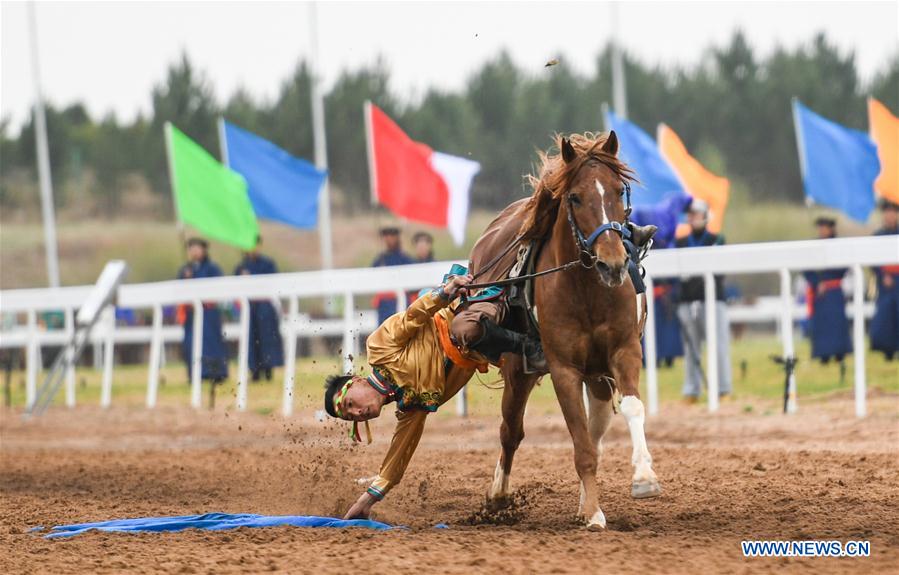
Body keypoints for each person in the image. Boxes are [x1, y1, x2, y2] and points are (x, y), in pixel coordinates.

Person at [324, 271, 479, 519]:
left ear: (357, 380)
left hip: (459, 310)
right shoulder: (410, 408)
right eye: (351, 417)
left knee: (470, 330)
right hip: (479, 353)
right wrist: (367, 500)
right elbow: (400, 452)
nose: (358, 412)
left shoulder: (378, 348)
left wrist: (444, 293)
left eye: (350, 403)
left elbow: (411, 317)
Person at [675, 199, 732, 402]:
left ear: (705, 216)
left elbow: (720, 271)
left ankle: (723, 388)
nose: (692, 218)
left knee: (719, 346)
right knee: (691, 349)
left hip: (713, 301)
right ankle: (692, 390)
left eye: (696, 214)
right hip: (687, 301)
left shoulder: (717, 239)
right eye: (690, 214)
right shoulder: (681, 242)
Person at [177, 238, 228, 384]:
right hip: (191, 314)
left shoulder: (212, 269)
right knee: (191, 343)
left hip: (208, 313)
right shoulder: (185, 270)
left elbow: (218, 288)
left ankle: (215, 373)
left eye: (197, 248)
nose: (194, 251)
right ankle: (195, 374)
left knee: (211, 344)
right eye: (191, 248)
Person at [234, 236, 284, 381]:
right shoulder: (241, 267)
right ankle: (254, 371)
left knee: (266, 339)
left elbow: (273, 283)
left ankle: (268, 370)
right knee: (250, 340)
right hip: (249, 308)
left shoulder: (267, 264)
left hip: (264, 306)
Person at [803, 217, 852, 364]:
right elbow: (806, 269)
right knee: (821, 325)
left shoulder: (838, 246)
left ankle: (839, 353)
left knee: (837, 323)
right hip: (819, 293)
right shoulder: (813, 245)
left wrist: (829, 278)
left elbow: (844, 267)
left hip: (834, 291)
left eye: (825, 228)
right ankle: (823, 354)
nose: (822, 231)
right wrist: (817, 283)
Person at [870, 200, 899, 360]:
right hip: (886, 283)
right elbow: (873, 261)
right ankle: (887, 349)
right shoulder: (878, 236)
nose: (890, 215)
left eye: (892, 212)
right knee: (885, 316)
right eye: (887, 212)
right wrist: (882, 275)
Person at [371, 227, 415, 324]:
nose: (389, 239)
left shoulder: (405, 259)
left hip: (401, 299)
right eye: (387, 236)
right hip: (384, 304)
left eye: (392, 236)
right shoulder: (380, 260)